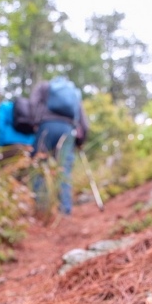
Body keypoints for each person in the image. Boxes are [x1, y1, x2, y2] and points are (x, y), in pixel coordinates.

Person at [29, 76, 89, 215]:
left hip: (46, 126)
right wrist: (80, 141)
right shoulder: (74, 92)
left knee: (39, 165)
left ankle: (41, 209)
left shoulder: (44, 87)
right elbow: (84, 121)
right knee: (64, 169)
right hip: (67, 129)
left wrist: (35, 123)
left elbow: (32, 103)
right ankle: (65, 210)